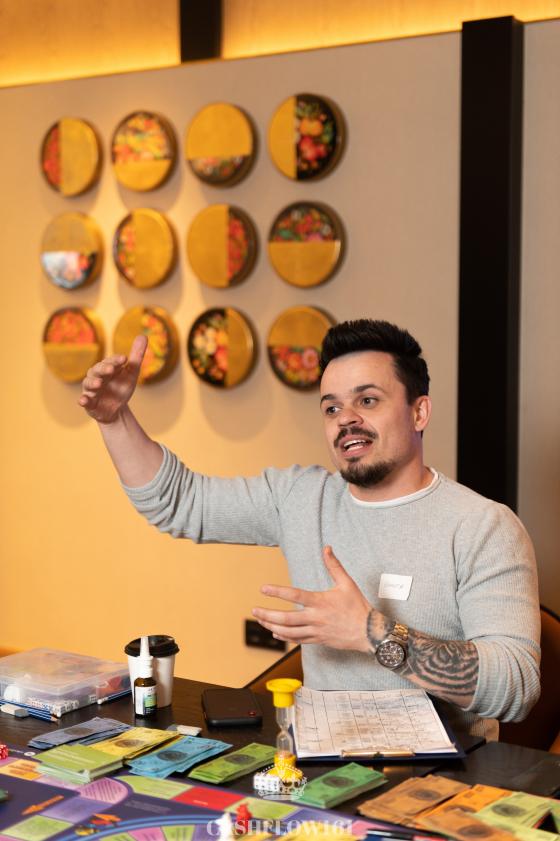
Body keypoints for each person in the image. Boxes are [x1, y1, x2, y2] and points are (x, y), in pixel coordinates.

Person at [79, 319, 540, 739]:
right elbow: (179, 502)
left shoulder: (483, 526)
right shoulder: (302, 498)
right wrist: (114, 420)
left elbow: (516, 687)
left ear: (419, 412)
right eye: (331, 408)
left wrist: (372, 633)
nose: (346, 419)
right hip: (322, 761)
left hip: (442, 775)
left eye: (368, 400)